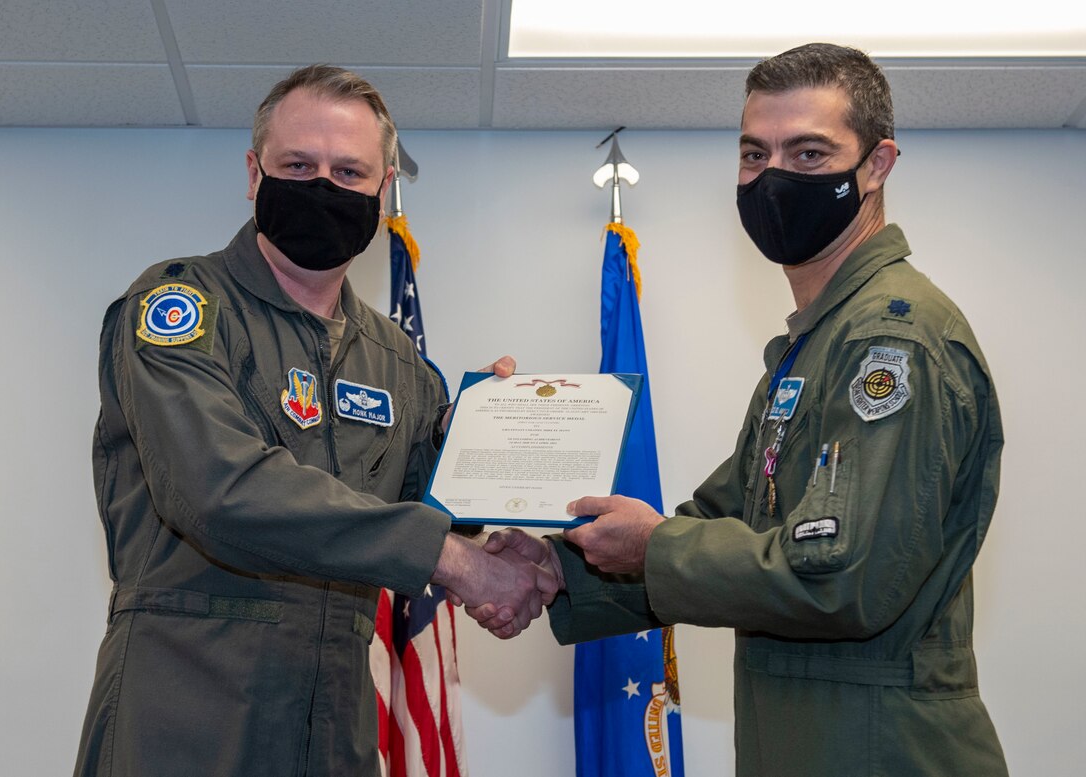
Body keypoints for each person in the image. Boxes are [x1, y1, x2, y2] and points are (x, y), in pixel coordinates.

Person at [473, 43, 1009, 776]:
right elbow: (724, 521)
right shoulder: (815, 346)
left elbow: (843, 580)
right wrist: (562, 568)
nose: (774, 178)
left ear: (877, 165)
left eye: (809, 153)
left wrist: (654, 549)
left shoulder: (891, 340)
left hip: (882, 750)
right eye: (755, 155)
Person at [73, 64, 555, 777]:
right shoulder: (182, 307)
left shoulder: (397, 361)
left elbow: (432, 512)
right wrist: (450, 560)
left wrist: (474, 444)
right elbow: (219, 490)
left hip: (333, 720)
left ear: (383, 191)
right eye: (298, 165)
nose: (323, 186)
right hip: (185, 715)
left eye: (348, 171)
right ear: (254, 173)